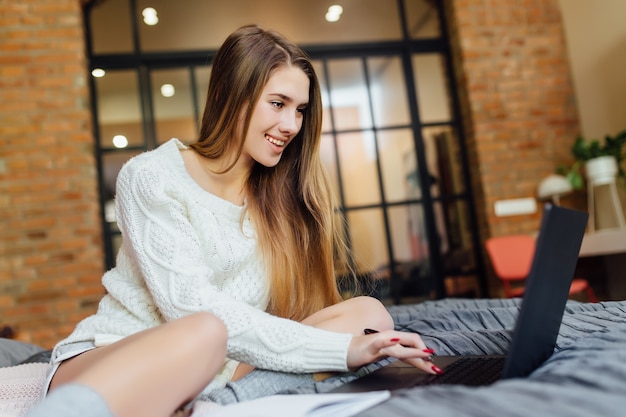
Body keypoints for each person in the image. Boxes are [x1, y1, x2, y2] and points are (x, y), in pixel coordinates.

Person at [41, 24, 439, 417]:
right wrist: (342, 350)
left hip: (219, 364)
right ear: (235, 95)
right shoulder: (150, 176)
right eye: (278, 103)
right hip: (110, 359)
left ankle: (220, 401)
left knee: (368, 313)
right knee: (204, 330)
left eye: (300, 110)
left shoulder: (277, 196)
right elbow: (189, 307)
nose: (291, 126)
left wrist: (356, 343)